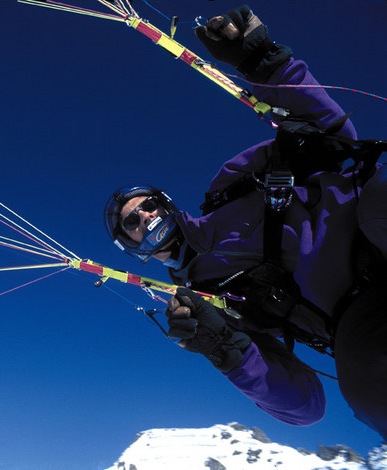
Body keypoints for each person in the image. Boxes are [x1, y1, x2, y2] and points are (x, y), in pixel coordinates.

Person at [103, 5, 387, 439]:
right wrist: (225, 349)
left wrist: (264, 62)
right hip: (362, 319)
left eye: (149, 205)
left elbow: (328, 133)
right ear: (132, 248)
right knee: (368, 380)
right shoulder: (205, 306)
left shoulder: (232, 184)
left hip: (374, 229)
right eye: (133, 222)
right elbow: (305, 406)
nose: (146, 216)